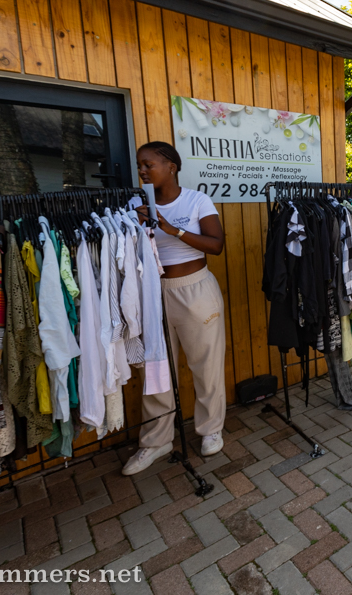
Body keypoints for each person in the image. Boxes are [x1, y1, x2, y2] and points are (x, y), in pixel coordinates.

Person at [122, 141, 227, 476]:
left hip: (194, 289)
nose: (142, 170)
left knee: (205, 364)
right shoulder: (134, 206)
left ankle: (210, 429)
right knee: (155, 367)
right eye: (139, 165)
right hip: (152, 294)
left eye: (148, 164)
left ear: (171, 165)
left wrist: (173, 229)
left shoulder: (196, 200)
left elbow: (217, 245)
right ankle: (156, 440)